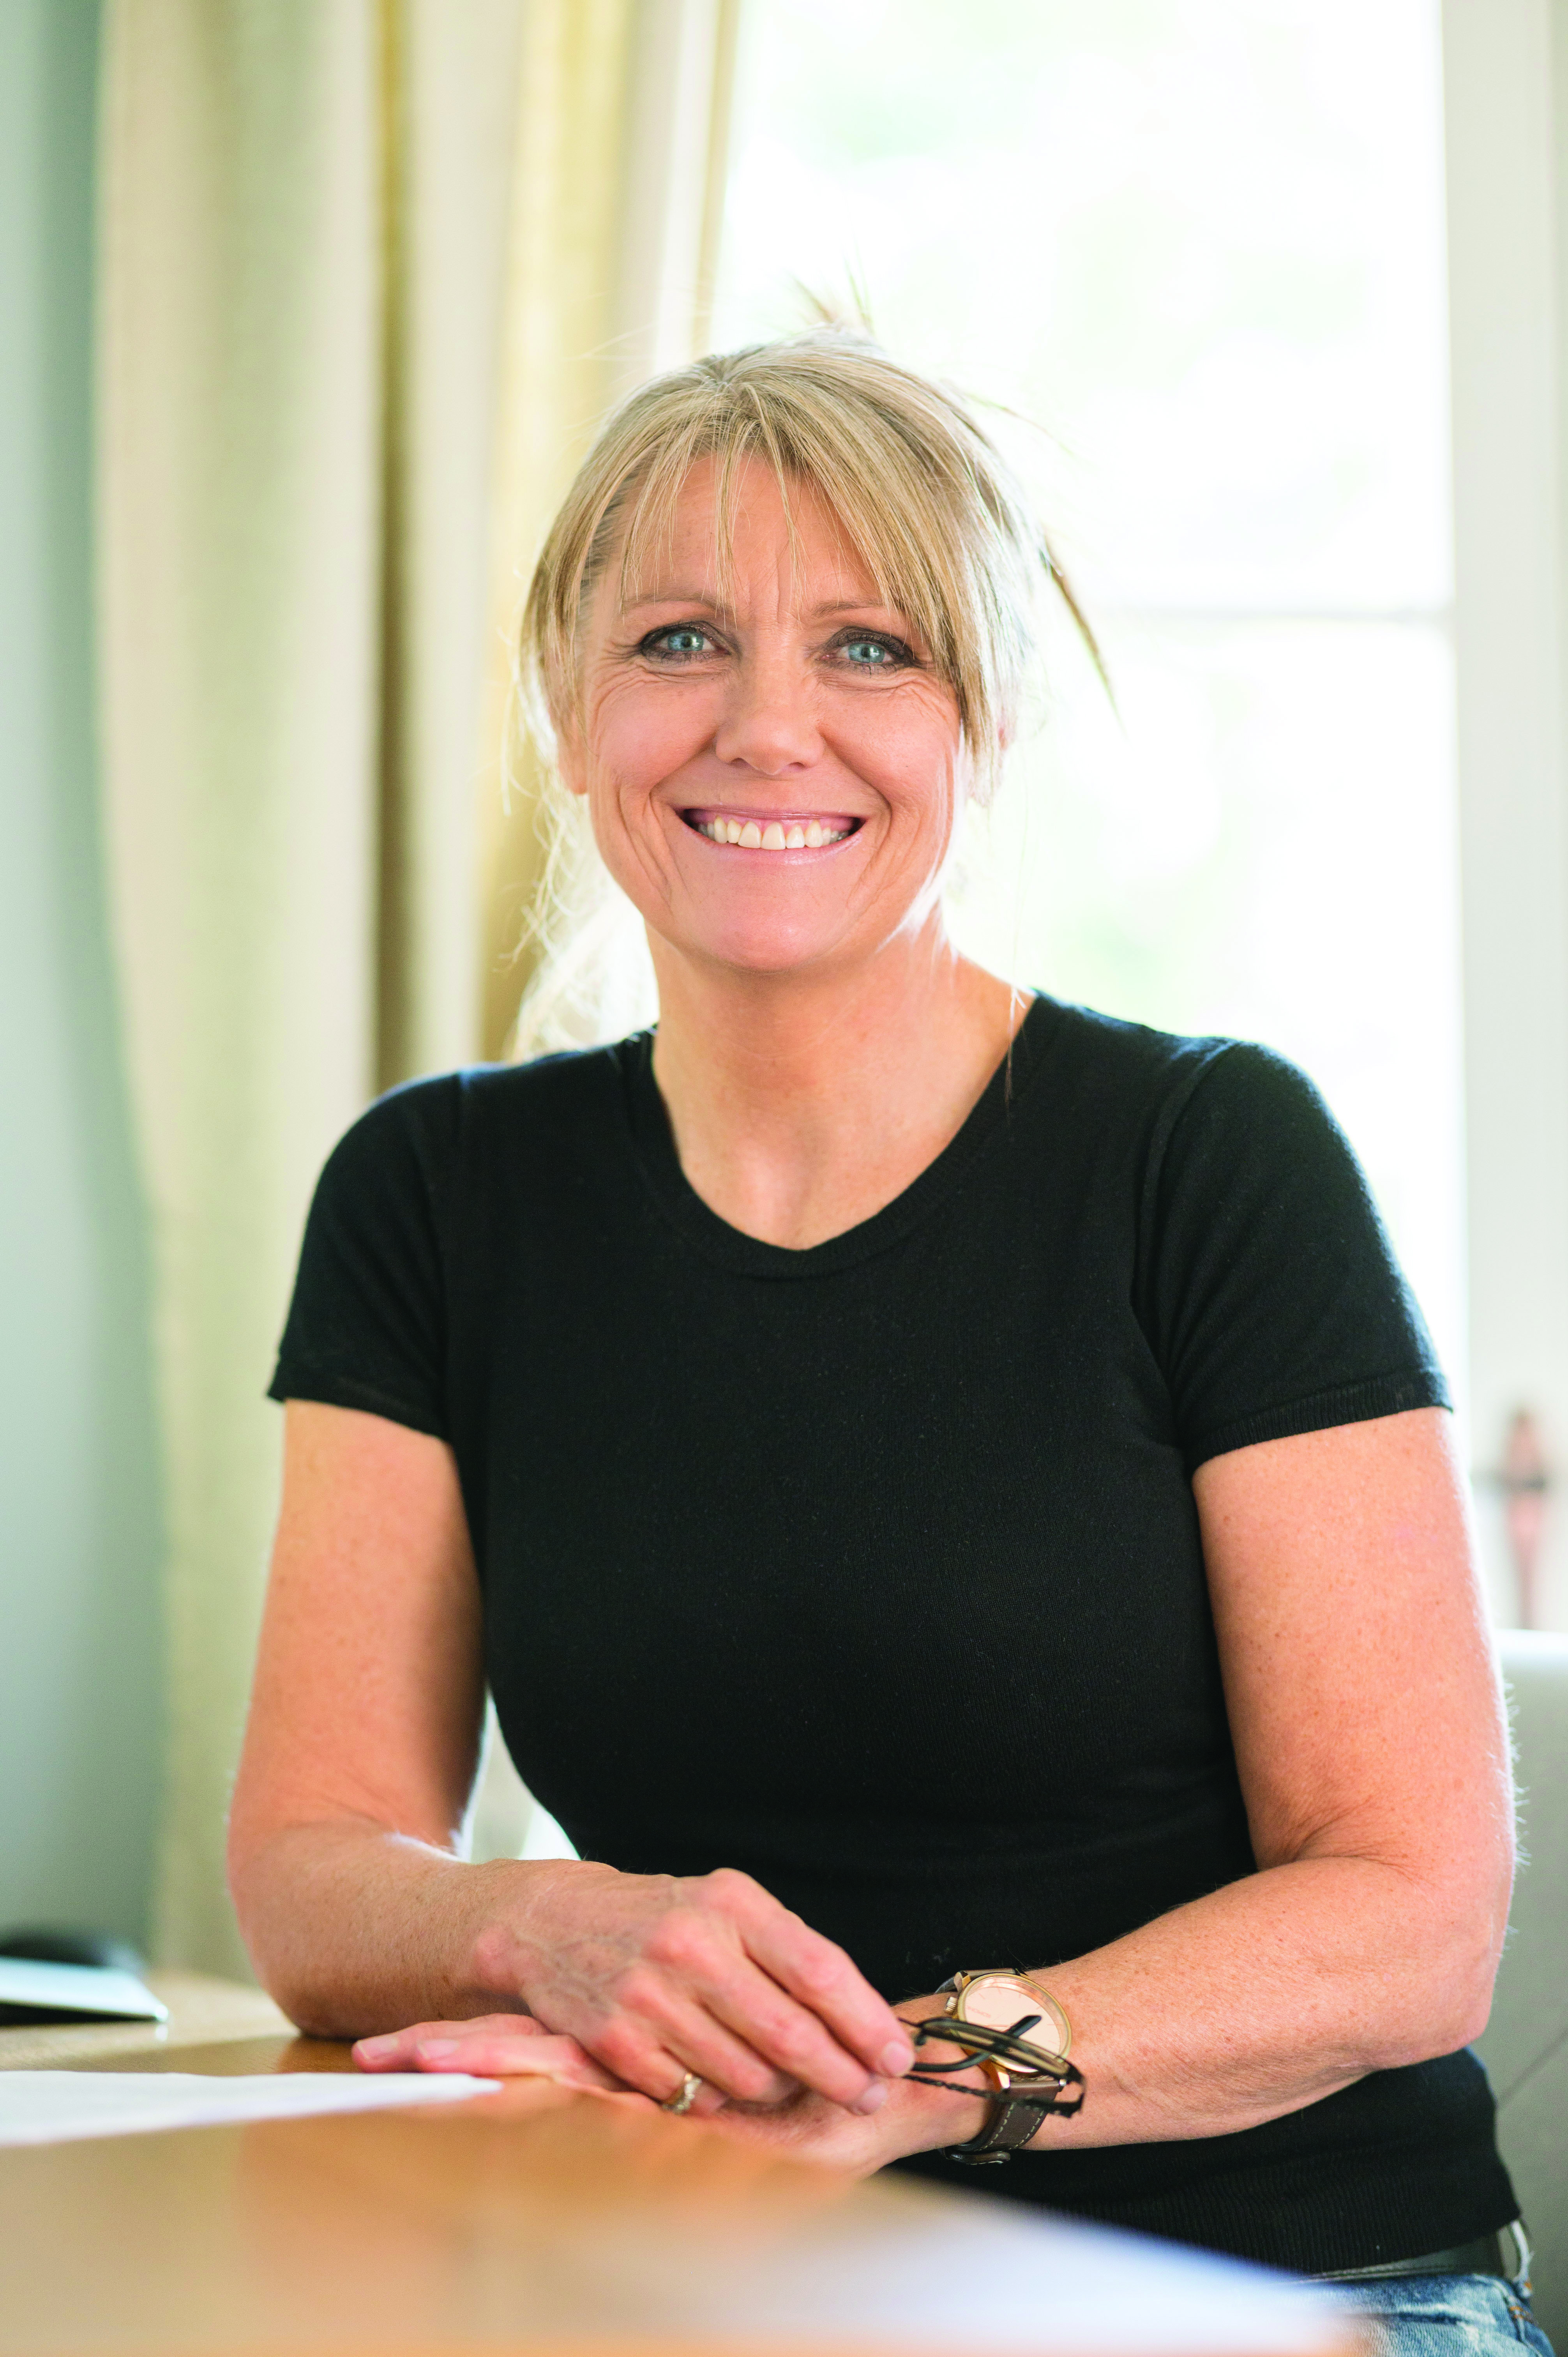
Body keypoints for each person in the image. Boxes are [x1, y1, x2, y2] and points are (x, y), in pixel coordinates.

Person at [230, 331, 1543, 2352]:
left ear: (984, 721)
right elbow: (313, 1872)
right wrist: (550, 1925)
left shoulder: (1207, 1158)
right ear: (571, 716)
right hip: (708, 2280)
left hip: (1292, 2279)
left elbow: (1407, 1922)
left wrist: (884, 2082)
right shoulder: (434, 1197)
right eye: (680, 639)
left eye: (868, 650)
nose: (770, 727)